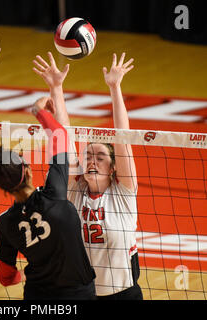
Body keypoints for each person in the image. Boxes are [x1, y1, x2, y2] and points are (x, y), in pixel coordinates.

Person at [33, 52, 143, 300]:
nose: (92, 160)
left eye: (100, 157)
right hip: (81, 293)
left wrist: (115, 87)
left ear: (113, 167)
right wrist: (56, 88)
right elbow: (63, 136)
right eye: (88, 156)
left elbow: (122, 137)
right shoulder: (75, 190)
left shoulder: (123, 192)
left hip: (122, 293)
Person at [0, 96, 96, 300]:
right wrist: (39, 111)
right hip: (77, 295)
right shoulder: (54, 194)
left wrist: (20, 274)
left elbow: (7, 278)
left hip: (37, 295)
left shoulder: (4, 223)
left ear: (2, 187)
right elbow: (61, 137)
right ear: (27, 171)